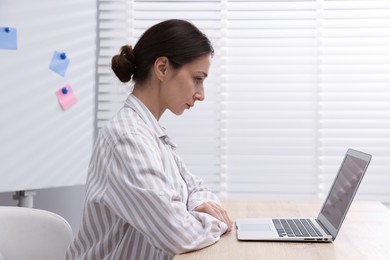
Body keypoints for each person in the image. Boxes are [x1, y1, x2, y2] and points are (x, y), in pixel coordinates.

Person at [65, 19, 233, 260]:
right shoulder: (128, 140)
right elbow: (176, 234)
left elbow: (196, 188)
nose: (201, 94)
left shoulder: (152, 133)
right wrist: (216, 222)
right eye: (197, 78)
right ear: (163, 68)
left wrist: (195, 207)